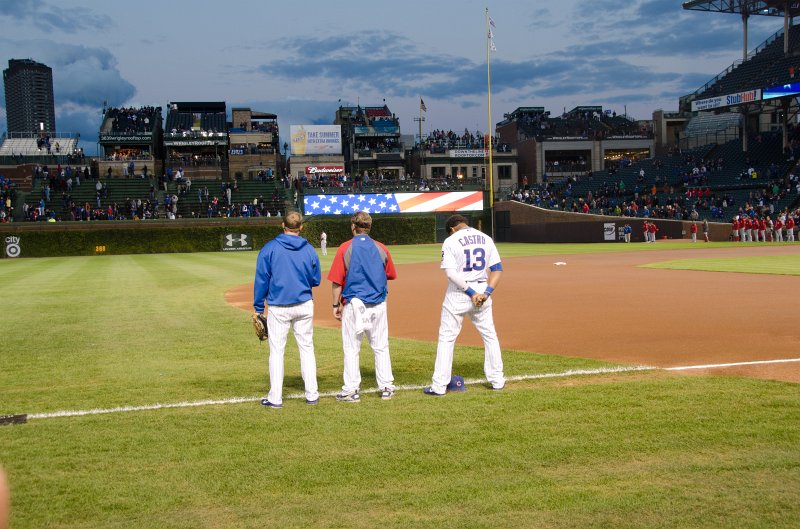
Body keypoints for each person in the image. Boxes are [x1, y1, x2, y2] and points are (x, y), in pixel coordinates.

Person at [424, 214, 505, 396]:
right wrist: (485, 293)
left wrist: (471, 293)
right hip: (482, 292)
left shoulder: (451, 241)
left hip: (459, 293)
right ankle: (497, 380)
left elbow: (451, 274)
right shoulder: (486, 238)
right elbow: (498, 269)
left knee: (447, 338)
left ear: (452, 229)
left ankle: (439, 386)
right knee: (490, 336)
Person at [253, 211, 321, 408]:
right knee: (307, 349)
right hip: (304, 304)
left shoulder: (269, 249)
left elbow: (261, 280)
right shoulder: (309, 249)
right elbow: (315, 280)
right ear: (301, 227)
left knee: (277, 351)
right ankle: (312, 395)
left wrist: (258, 307)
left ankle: (275, 398)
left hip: (278, 306)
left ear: (282, 225)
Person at [328, 211, 397, 402]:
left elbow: (336, 281)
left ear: (353, 226)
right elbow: (390, 274)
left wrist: (335, 304)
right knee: (381, 346)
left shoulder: (345, 248)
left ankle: (351, 390)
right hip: (378, 303)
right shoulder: (381, 247)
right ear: (369, 227)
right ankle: (386, 387)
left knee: (351, 348)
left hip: (354, 304)